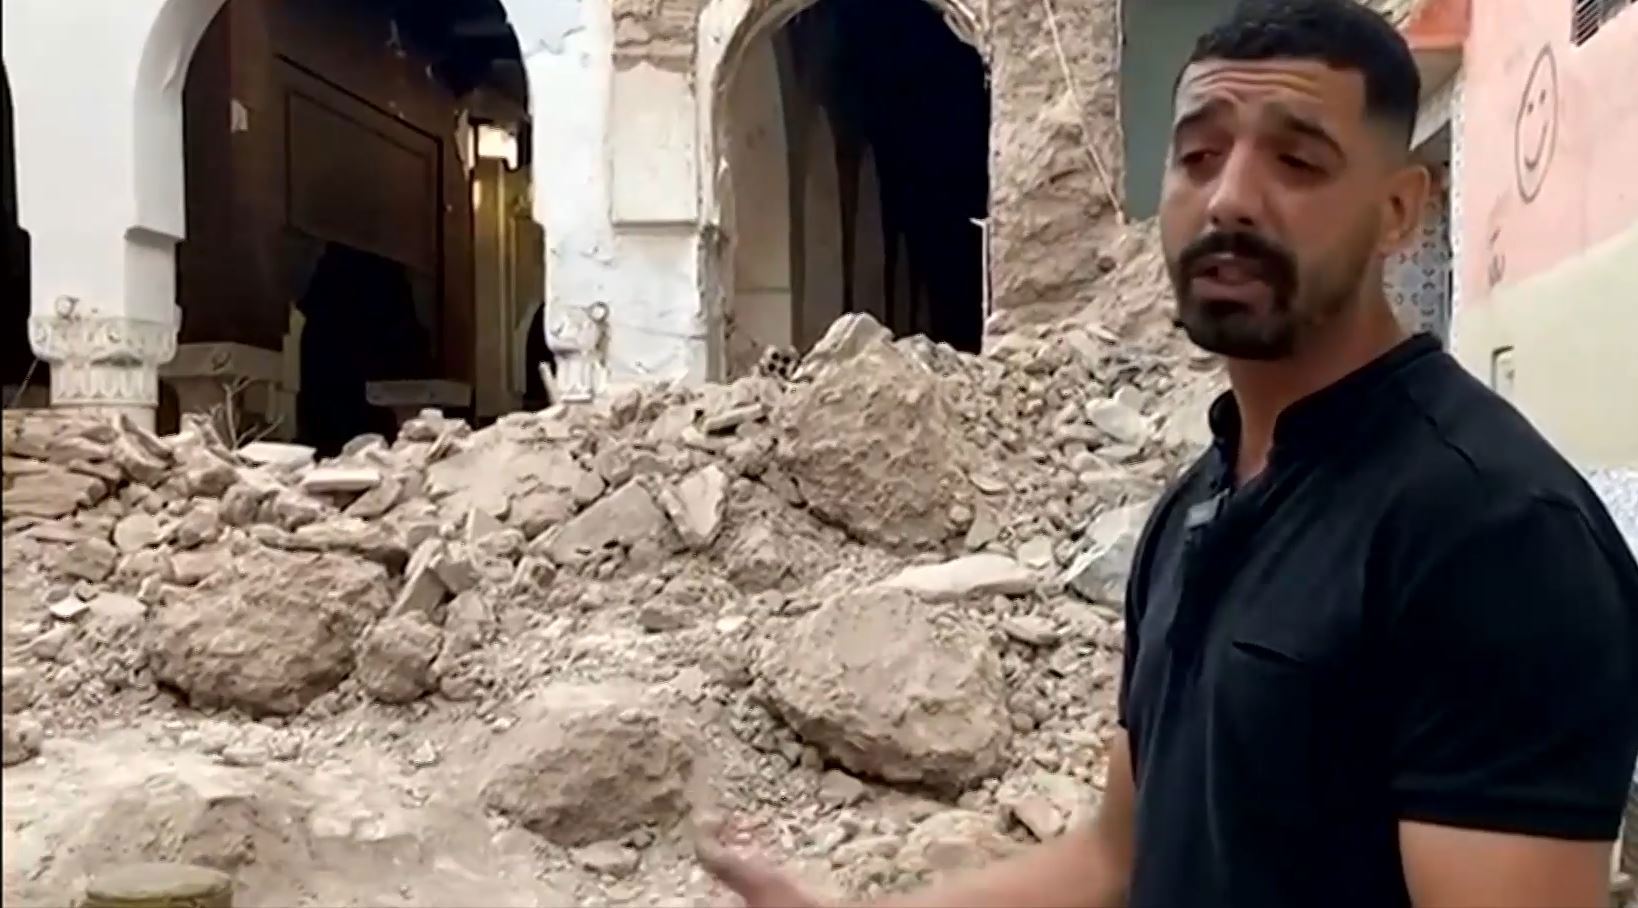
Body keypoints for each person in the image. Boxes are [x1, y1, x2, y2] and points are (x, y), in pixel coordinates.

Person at [694, 1, 1638, 906]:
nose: (1229, 199)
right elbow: (1117, 858)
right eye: (1198, 156)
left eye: (1297, 161)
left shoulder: (1493, 535)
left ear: (1398, 211)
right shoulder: (1199, 505)